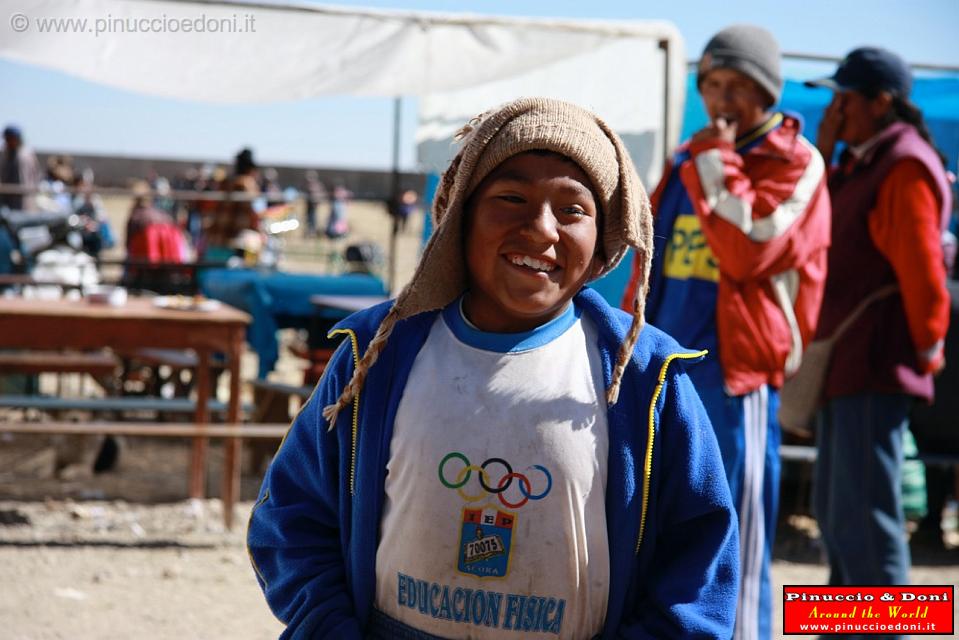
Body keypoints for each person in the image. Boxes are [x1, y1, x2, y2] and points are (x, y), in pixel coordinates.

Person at [248, 97, 739, 639]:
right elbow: (292, 517)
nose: (541, 229)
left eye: (573, 209)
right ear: (461, 215)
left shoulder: (644, 377)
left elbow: (698, 566)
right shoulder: (379, 353)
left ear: (604, 240)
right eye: (510, 197)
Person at [621, 25, 830, 640]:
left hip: (737, 376)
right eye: (712, 84)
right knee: (654, 522)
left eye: (738, 85)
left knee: (731, 532)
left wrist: (716, 162)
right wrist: (632, 338)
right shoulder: (690, 158)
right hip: (668, 366)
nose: (721, 99)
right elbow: (650, 255)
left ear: (767, 91)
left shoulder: (795, 161)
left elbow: (747, 251)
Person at [806, 48, 953, 606]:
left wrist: (925, 349)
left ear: (881, 103)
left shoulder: (903, 166)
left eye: (845, 98)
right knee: (838, 514)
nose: (835, 109)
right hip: (847, 364)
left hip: (876, 361)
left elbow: (923, 274)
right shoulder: (861, 162)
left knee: (867, 516)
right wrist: (822, 150)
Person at [203, 148, 261, 257]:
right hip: (235, 241)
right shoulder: (248, 184)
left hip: (216, 239)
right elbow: (254, 214)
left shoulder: (226, 181)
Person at [0, 125, 41, 212]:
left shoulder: (24, 156)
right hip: (9, 202)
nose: (7, 142)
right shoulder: (7, 154)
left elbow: (25, 181)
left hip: (23, 203)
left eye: (10, 139)